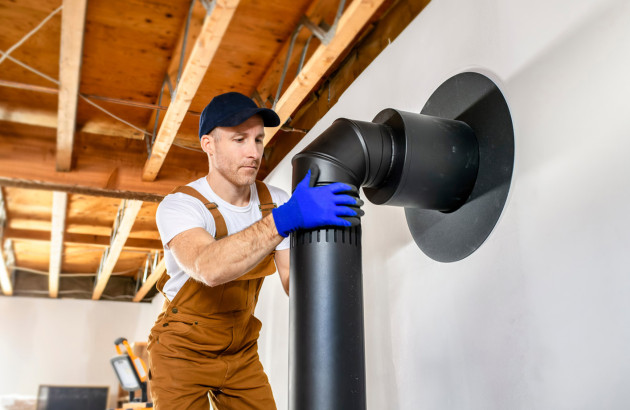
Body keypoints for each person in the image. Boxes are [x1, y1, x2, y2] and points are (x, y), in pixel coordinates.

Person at [147, 91, 359, 409]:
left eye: (258, 140)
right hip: (181, 352)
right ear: (209, 144)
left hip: (242, 350)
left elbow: (291, 279)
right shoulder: (181, 206)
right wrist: (285, 219)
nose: (253, 152)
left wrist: (331, 259)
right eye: (239, 139)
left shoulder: (274, 199)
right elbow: (209, 268)